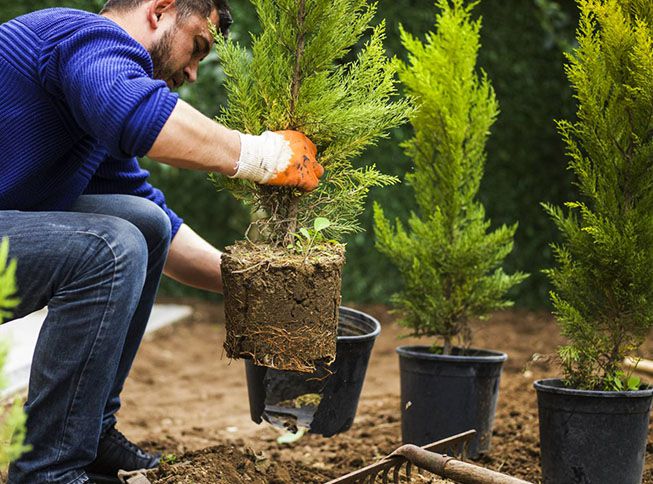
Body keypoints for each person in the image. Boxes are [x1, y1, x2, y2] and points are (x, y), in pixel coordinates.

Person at [0, 0, 323, 482]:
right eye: (198, 47)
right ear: (161, 9)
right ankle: (51, 470)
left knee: (142, 223)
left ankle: (89, 438)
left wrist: (255, 287)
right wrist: (262, 155)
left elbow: (163, 232)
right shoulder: (81, 35)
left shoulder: (88, 110)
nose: (193, 72)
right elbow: (138, 114)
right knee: (109, 248)